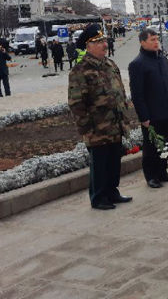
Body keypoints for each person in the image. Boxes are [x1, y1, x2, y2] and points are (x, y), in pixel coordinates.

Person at [67, 24, 132, 211]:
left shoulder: (110, 65)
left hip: (115, 124)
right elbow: (76, 103)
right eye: (98, 42)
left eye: (104, 41)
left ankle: (112, 192)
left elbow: (120, 92)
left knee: (113, 162)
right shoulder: (80, 71)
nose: (104, 45)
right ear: (88, 46)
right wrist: (87, 129)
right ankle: (98, 197)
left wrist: (124, 117)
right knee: (100, 165)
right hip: (96, 128)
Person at [130, 28, 168, 186]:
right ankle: (151, 176)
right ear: (142, 42)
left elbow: (167, 85)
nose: (156, 42)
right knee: (151, 147)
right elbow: (137, 94)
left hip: (167, 110)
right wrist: (144, 117)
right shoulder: (137, 64)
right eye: (152, 40)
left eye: (157, 39)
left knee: (165, 144)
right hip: (152, 114)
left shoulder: (162, 59)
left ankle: (163, 172)